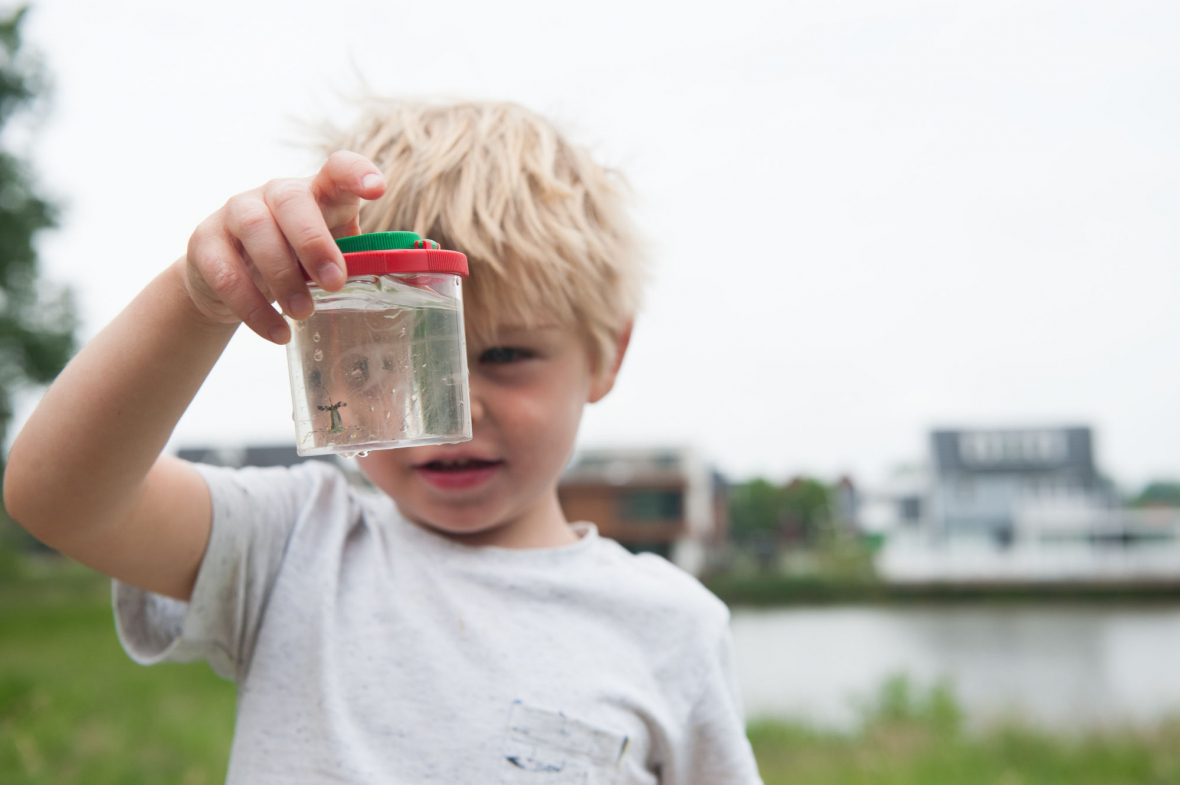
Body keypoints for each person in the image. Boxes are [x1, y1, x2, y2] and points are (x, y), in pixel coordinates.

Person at [4, 100, 763, 784]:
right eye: (382, 361)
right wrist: (199, 298)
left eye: (504, 356)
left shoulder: (673, 627)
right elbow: (56, 493)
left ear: (606, 356)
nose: (452, 411)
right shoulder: (293, 541)